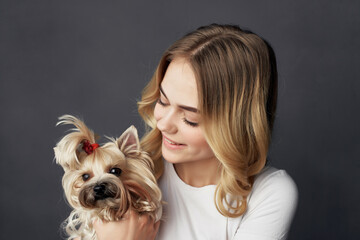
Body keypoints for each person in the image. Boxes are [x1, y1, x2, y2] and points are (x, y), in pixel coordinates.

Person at [94, 23, 298, 240]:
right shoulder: (126, 173)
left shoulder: (269, 193)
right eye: (163, 101)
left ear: (235, 127)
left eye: (190, 119)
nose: (163, 125)